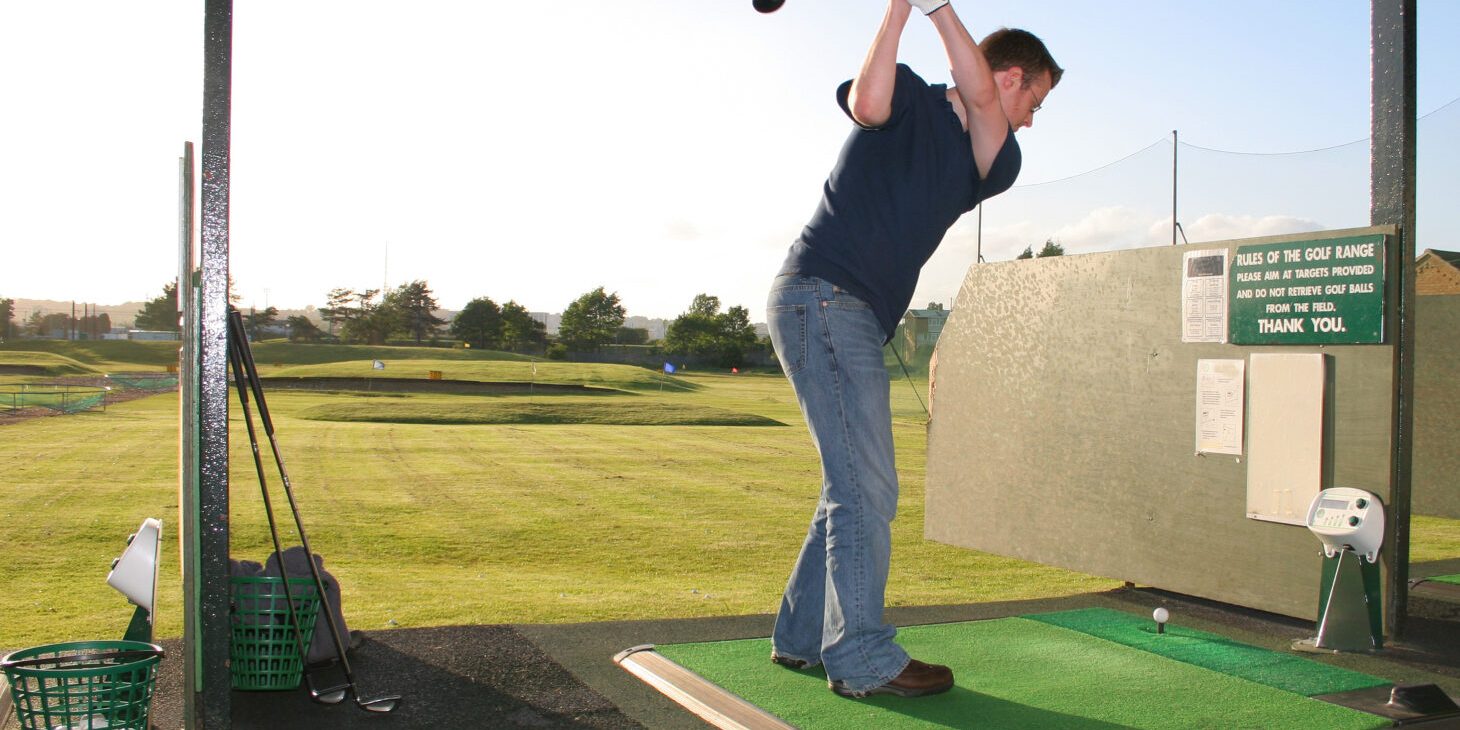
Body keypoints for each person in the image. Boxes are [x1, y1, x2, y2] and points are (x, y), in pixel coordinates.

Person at [765, 0, 1061, 699]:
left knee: (849, 483)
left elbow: (982, 100)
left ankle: (801, 638)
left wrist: (936, 7)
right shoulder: (903, 94)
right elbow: (869, 104)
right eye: (1036, 101)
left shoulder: (995, 156)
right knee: (866, 486)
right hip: (822, 295)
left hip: (849, 309)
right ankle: (863, 658)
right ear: (1015, 75)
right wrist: (905, 8)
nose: (1029, 120)